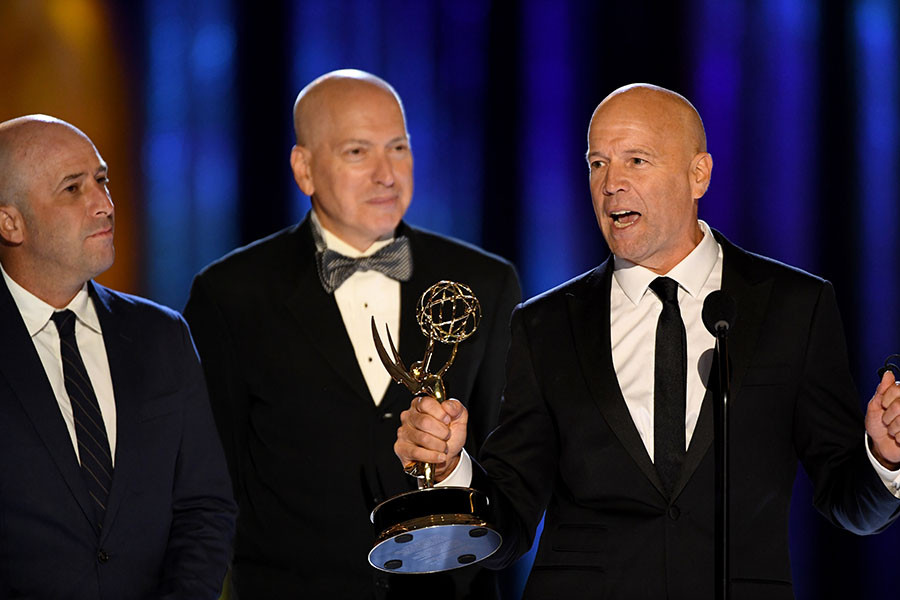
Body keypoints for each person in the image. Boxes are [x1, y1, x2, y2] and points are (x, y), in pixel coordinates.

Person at [395, 84, 900, 599]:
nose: (612, 183)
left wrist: (884, 457)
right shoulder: (545, 324)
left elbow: (850, 503)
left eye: (637, 160)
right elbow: (509, 524)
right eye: (597, 164)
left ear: (698, 173)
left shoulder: (795, 306)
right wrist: (452, 468)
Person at [183, 69, 521, 599]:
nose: (388, 174)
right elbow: (208, 487)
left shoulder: (483, 283)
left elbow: (511, 482)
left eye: (399, 148)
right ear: (304, 169)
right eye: (358, 152)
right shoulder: (230, 294)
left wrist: (456, 465)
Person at [0, 115, 236, 599]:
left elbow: (204, 506)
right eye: (73, 189)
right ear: (10, 222)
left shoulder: (162, 334)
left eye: (102, 181)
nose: (104, 205)